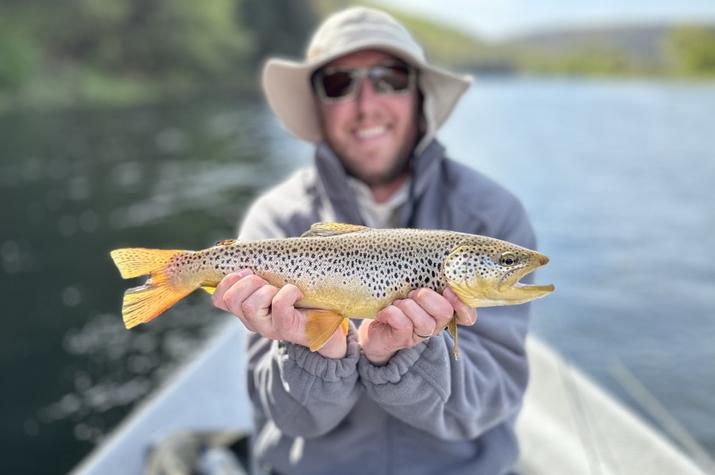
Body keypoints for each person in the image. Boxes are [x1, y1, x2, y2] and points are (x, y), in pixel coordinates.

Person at [211, 7, 537, 475]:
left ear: (419, 94)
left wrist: (411, 354)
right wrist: (314, 350)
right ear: (318, 105)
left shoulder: (492, 215)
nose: (366, 105)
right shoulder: (277, 219)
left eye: (389, 77)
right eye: (340, 84)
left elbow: (490, 403)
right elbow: (289, 419)